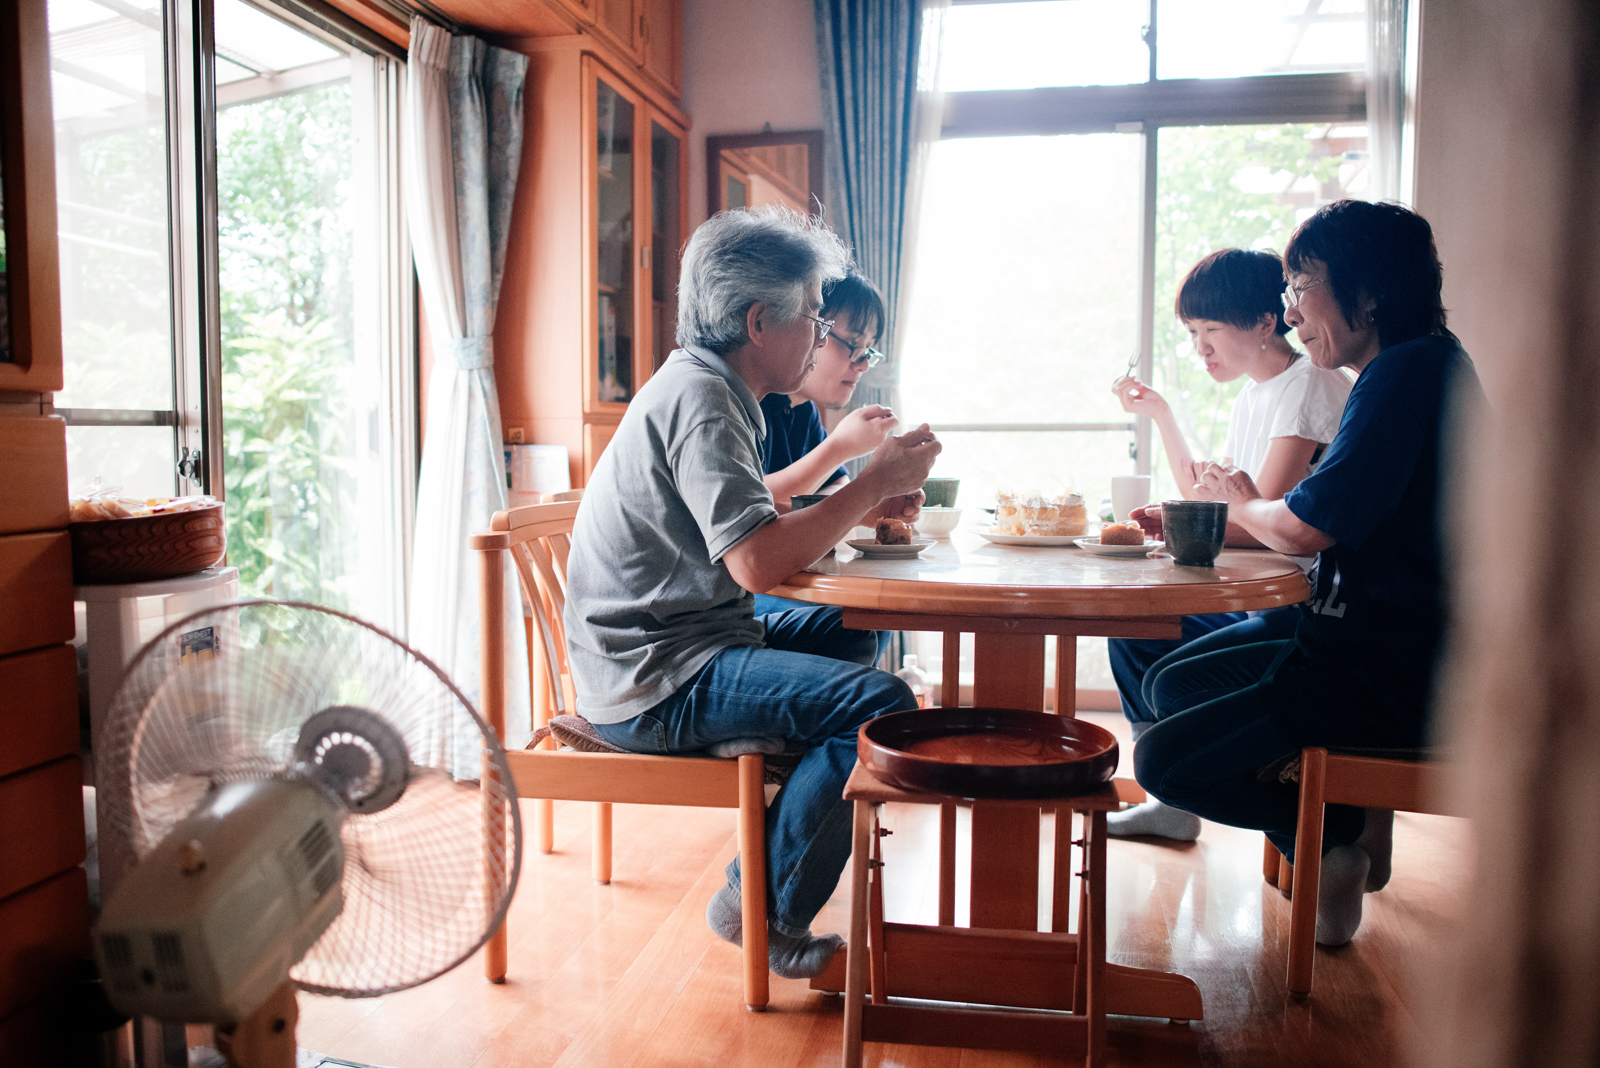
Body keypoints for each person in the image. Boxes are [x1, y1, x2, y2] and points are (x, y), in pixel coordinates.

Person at [562, 206, 942, 979]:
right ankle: (761, 906)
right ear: (759, 322)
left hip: (679, 642)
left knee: (851, 628)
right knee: (881, 704)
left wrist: (865, 499)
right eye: (813, 317)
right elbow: (758, 565)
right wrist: (870, 483)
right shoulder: (704, 401)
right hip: (653, 677)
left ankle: (781, 774)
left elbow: (755, 531)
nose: (818, 333)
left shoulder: (711, 388)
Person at [1130, 199, 1484, 946]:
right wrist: (1249, 505)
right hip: (1358, 635)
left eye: (1300, 287)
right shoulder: (1411, 366)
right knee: (1169, 684)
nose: (1290, 313)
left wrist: (1245, 503)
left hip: (1385, 668)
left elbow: (1303, 525)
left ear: (1369, 291)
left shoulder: (1406, 374)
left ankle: (1332, 842)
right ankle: (1346, 823)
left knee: (1162, 760)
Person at [1107, 249, 1352, 841]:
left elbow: (1265, 516)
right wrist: (1161, 415)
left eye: (1210, 330)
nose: (1200, 348)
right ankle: (1172, 804)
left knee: (1157, 654)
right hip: (1260, 600)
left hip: (1301, 606)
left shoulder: (1309, 385)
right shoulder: (1254, 394)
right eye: (1193, 333)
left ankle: (1320, 827)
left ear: (1266, 322)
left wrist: (1175, 523)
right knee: (1132, 629)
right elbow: (1211, 500)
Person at [751, 268, 909, 650]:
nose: (862, 363)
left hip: (781, 579)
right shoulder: (753, 403)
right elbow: (752, 502)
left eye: (868, 349)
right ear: (808, 329)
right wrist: (840, 447)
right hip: (743, 591)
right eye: (852, 344)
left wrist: (875, 501)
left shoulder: (804, 411)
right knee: (860, 623)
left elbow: (835, 488)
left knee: (879, 615)